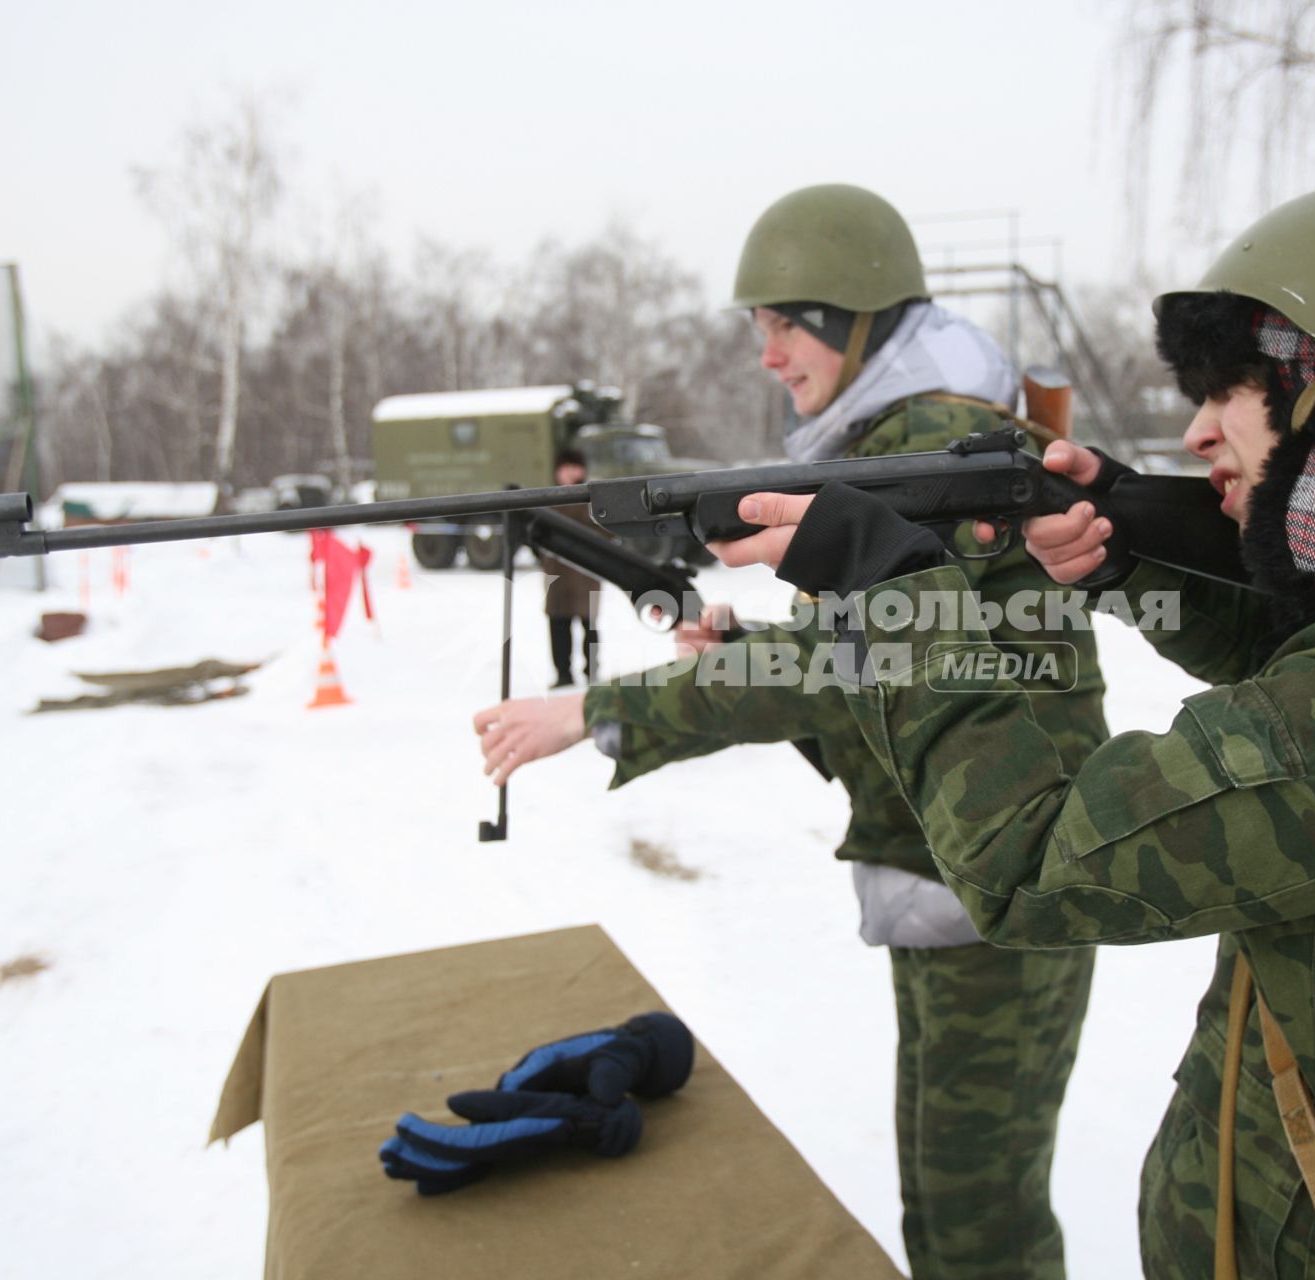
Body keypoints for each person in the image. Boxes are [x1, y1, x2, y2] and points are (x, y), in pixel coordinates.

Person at [712, 183, 1315, 1277]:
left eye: (1233, 390)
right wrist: (1134, 540)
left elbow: (1034, 862)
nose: (1196, 427)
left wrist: (899, 591)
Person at [474, 184, 1107, 1280]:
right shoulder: (907, 439)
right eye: (759, 328)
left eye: (782, 323)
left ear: (853, 316)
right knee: (954, 1204)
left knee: (976, 1223)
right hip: (962, 864)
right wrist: (742, 654)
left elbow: (844, 665)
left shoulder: (928, 444)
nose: (767, 354)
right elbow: (887, 669)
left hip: (1005, 870)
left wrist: (594, 708)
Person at [543, 448, 599, 688]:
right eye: (564, 467)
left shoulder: (591, 499)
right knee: (558, 626)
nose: (568, 473)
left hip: (586, 573)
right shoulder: (546, 498)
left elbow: (603, 532)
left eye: (573, 467)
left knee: (590, 626)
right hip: (556, 574)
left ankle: (592, 672)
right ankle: (563, 673)